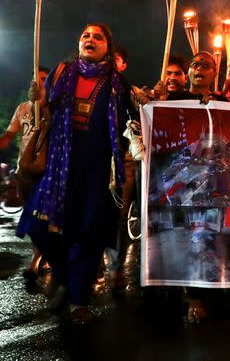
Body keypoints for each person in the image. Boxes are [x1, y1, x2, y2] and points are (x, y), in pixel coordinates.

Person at [17, 23, 133, 324]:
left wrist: (150, 98)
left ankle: (79, 300)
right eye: (85, 35)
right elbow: (48, 111)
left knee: (89, 233)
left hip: (96, 168)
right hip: (60, 164)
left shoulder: (118, 84)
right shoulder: (62, 73)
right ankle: (66, 276)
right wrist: (39, 98)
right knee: (37, 225)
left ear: (108, 46)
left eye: (97, 37)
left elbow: (133, 117)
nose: (90, 39)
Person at [1, 67, 49, 282]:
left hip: (48, 172)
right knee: (31, 218)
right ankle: (42, 254)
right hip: (25, 172)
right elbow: (9, 135)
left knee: (42, 217)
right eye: (35, 80)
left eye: (44, 80)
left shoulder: (55, 110)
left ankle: (36, 262)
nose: (39, 84)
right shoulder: (22, 109)